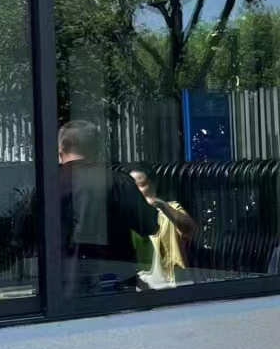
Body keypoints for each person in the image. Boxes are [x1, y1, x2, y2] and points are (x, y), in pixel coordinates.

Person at [56, 120, 160, 296]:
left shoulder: (47, 184)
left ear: (62, 148)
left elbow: (23, 237)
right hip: (113, 281)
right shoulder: (119, 181)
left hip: (59, 286)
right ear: (97, 149)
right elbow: (149, 225)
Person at [129, 166, 199, 288]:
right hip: (145, 289)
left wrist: (163, 206)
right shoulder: (129, 216)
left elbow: (191, 229)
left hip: (174, 286)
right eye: (133, 188)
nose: (137, 191)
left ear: (153, 185)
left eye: (141, 185)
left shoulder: (170, 209)